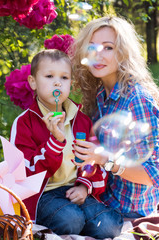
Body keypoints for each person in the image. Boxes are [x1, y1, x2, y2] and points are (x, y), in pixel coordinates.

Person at [9, 49, 123, 238]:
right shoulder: (24, 123)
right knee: (71, 219)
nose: (57, 82)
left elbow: (92, 161)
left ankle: (78, 225)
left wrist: (85, 187)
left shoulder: (82, 120)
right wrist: (55, 142)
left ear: (71, 83)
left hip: (74, 190)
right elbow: (23, 175)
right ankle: (72, 224)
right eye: (49, 76)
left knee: (110, 225)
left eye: (64, 77)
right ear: (33, 82)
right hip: (43, 196)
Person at [71, 15, 159, 220]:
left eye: (108, 47)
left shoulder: (136, 100)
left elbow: (153, 175)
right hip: (103, 196)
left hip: (126, 210)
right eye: (91, 47)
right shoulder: (102, 96)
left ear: (123, 53)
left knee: (62, 217)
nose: (98, 55)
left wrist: (103, 158)